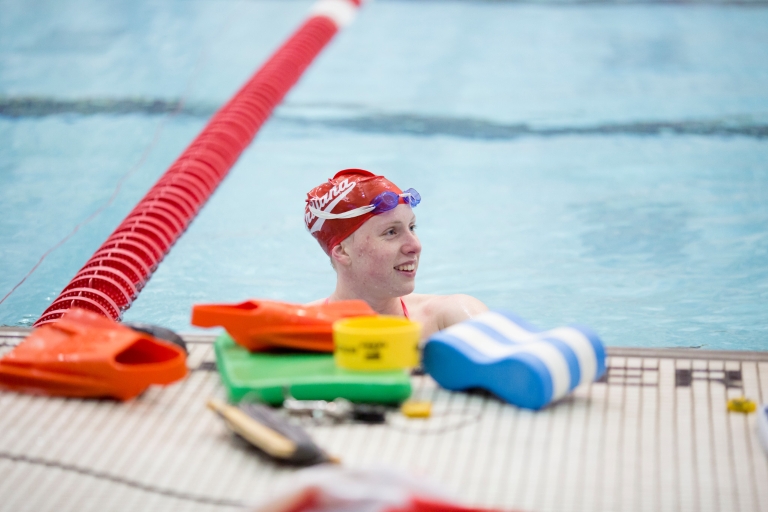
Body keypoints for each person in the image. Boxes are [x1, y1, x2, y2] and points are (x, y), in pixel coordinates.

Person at [305, 169, 487, 340]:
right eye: (391, 232)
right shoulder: (302, 333)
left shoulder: (452, 319)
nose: (415, 245)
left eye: (412, 227)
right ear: (342, 251)